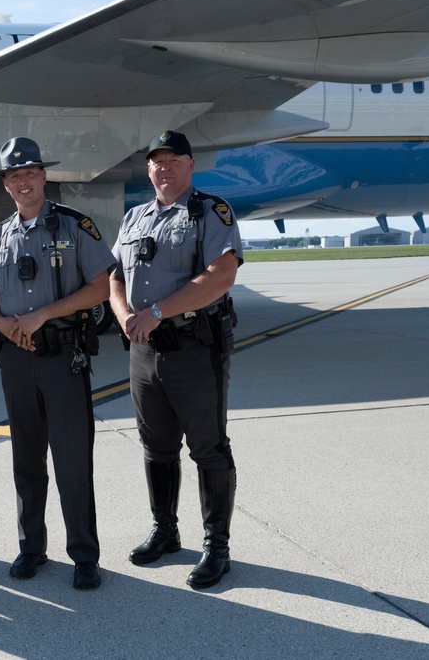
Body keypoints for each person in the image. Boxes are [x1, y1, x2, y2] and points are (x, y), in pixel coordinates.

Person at [0, 137, 116, 590]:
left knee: (73, 460)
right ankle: (31, 547)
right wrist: (1, 324)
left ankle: (85, 556)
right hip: (16, 360)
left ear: (43, 176)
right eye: (13, 175)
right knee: (26, 460)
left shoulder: (76, 226)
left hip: (62, 357)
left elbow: (101, 286)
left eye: (30, 173)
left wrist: (42, 315)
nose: (22, 181)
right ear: (6, 182)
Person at [109, 130, 243, 589]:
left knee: (208, 448)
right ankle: (166, 533)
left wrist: (158, 312)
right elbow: (114, 278)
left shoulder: (209, 211)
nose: (163, 168)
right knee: (156, 447)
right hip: (143, 351)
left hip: (193, 349)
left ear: (190, 165)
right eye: (156, 162)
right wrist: (126, 315)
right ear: (147, 169)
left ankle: (216, 548)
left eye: (173, 160)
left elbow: (220, 275)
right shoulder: (134, 218)